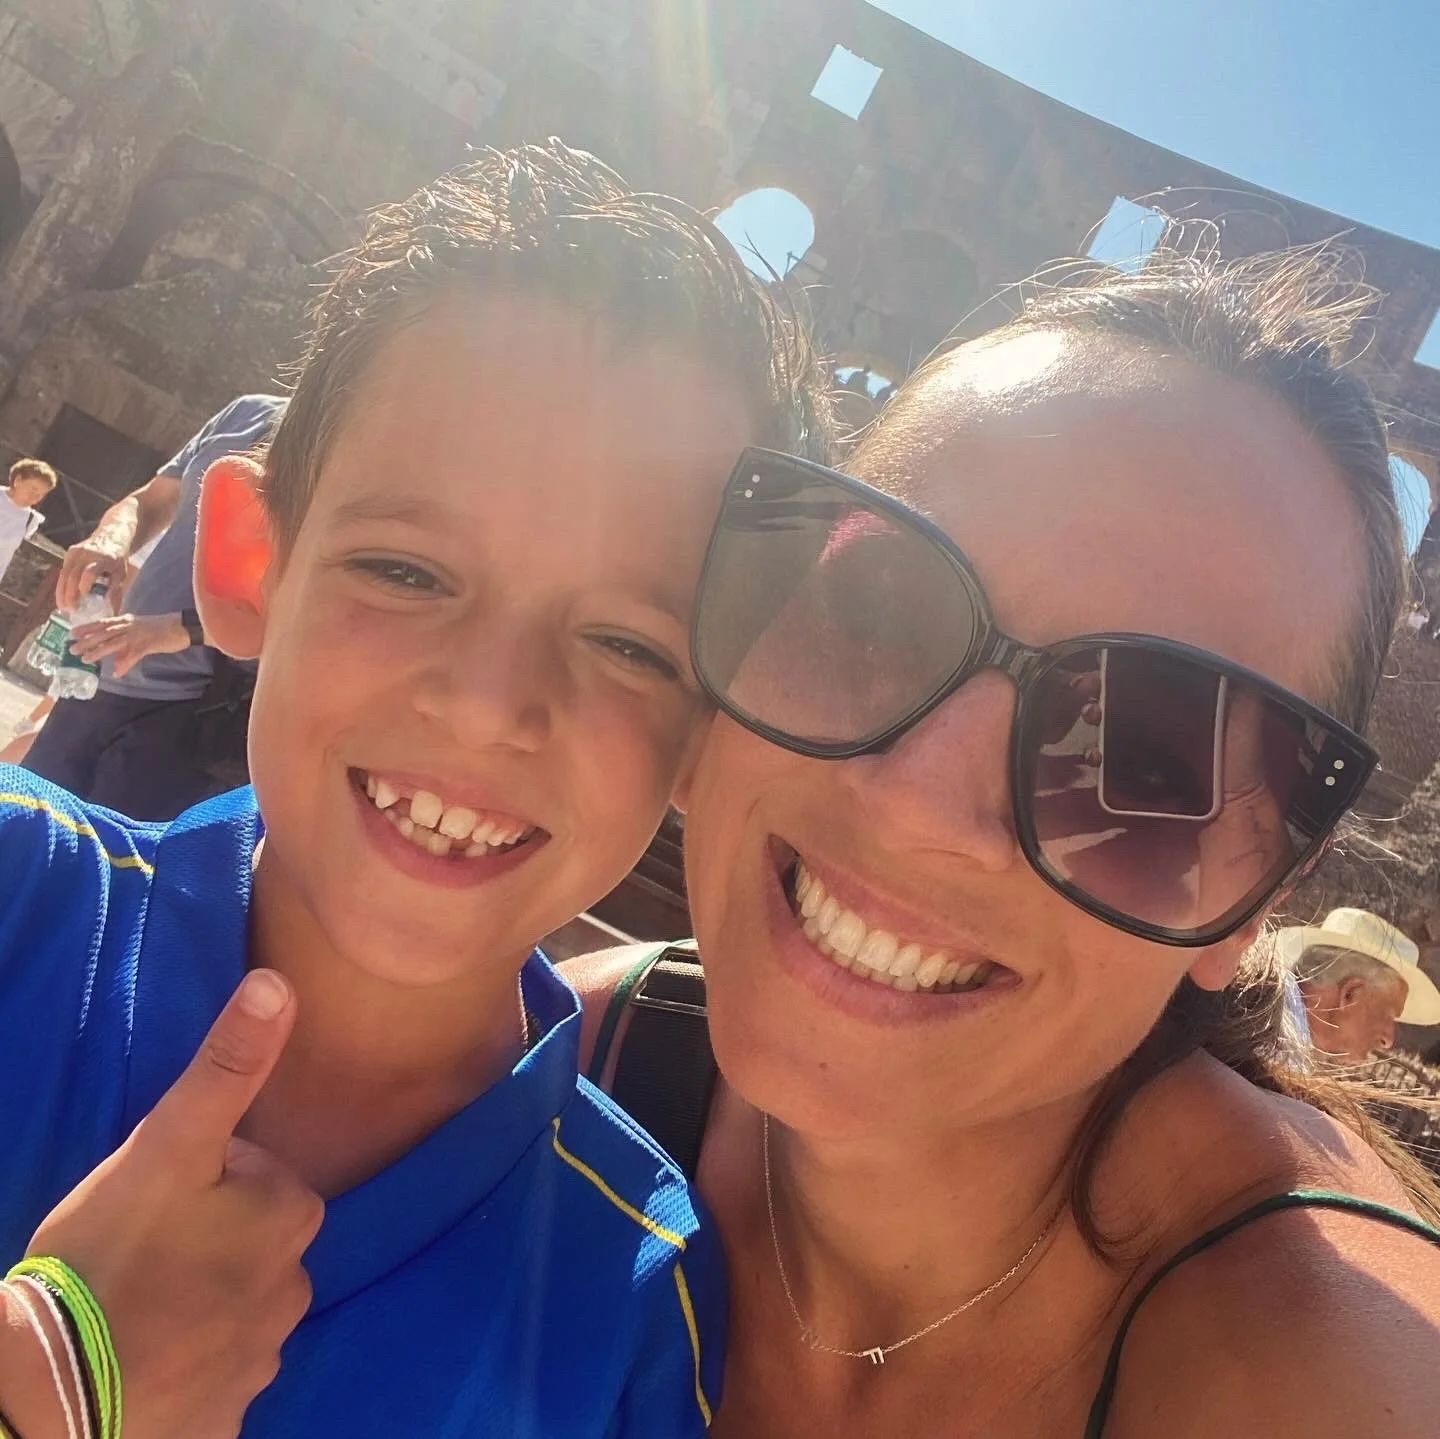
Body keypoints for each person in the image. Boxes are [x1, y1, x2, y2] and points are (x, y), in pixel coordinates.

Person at [0, 141, 828, 1438]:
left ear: (703, 737)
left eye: (626, 644)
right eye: (406, 570)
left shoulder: (634, 1303)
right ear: (247, 565)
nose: (491, 701)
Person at [571, 249, 1440, 1437]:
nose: (917, 802)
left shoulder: (1327, 1377)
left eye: (1143, 757)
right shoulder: (551, 1060)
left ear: (1253, 897)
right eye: (878, 610)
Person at [21, 395, 282, 819]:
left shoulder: (364, 445)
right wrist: (111, 541)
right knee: (20, 843)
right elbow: (151, 500)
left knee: (112, 879)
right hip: (100, 680)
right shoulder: (250, 410)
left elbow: (330, 621)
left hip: (199, 722)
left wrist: (181, 629)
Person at [1279, 907, 1440, 1063]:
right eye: (1387, 1015)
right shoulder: (1270, 1047)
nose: (1388, 1040)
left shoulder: (1283, 1044)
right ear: (1351, 993)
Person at [0, 458, 55, 582]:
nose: (35, 497)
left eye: (41, 494)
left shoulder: (31, 520)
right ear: (18, 480)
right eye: (33, 489)